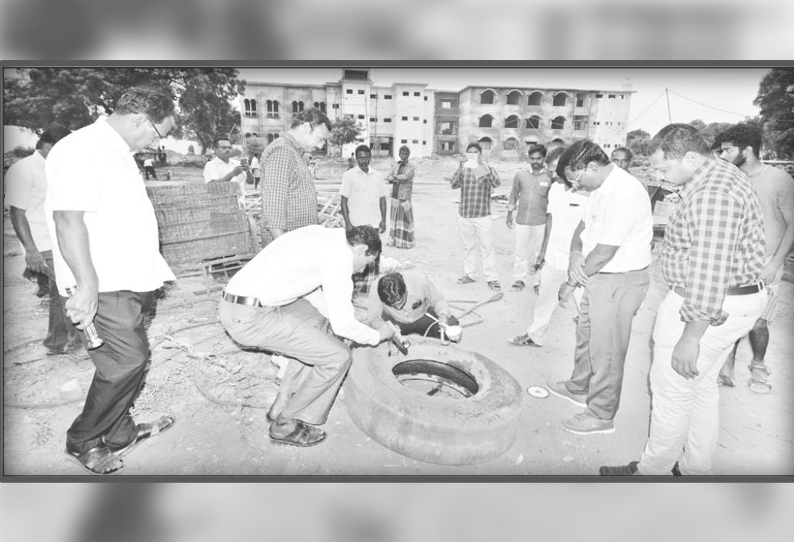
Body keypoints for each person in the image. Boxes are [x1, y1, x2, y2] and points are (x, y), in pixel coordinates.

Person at [600, 124, 767, 476]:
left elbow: (710, 270)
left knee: (672, 390)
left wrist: (691, 337)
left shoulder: (713, 194)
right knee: (700, 386)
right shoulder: (719, 177)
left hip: (706, 305)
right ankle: (693, 469)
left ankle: (652, 472)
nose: (660, 175)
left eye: (663, 167)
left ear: (690, 157)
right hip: (730, 301)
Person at [45, 86, 179, 475]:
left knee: (123, 361)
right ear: (140, 119)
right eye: (157, 132)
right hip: (103, 284)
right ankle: (83, 439)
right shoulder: (82, 149)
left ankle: (119, 432)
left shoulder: (116, 152)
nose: (157, 141)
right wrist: (85, 287)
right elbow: (68, 221)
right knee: (127, 360)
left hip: (127, 281)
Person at [218, 225, 396, 447]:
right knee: (338, 357)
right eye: (367, 263)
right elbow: (343, 326)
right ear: (360, 249)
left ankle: (284, 400)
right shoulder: (339, 257)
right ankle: (285, 424)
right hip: (248, 318)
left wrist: (348, 326)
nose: (362, 271)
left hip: (242, 302)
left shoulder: (324, 235)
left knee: (318, 325)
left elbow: (315, 295)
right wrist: (377, 335)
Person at [546, 139, 652, 435]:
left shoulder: (625, 193)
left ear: (592, 166)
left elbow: (605, 252)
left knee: (606, 350)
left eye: (576, 179)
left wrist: (570, 283)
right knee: (587, 336)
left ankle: (602, 413)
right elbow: (583, 228)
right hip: (597, 274)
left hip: (619, 279)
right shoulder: (599, 188)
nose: (574, 186)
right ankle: (579, 386)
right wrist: (575, 254)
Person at [715, 123, 794, 392]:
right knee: (729, 315)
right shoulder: (728, 177)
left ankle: (758, 364)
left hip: (767, 261)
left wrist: (774, 264)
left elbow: (792, 224)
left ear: (746, 151)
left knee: (759, 321)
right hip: (733, 262)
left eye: (727, 151)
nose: (723, 156)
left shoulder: (779, 179)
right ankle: (727, 364)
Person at [6, 124, 79, 356]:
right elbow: (16, 213)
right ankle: (78, 342)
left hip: (59, 239)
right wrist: (31, 251)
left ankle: (55, 342)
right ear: (48, 146)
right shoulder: (22, 170)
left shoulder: (57, 167)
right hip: (41, 243)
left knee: (60, 291)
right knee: (72, 287)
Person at [508, 146, 588, 347]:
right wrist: (543, 252)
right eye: (551, 170)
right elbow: (551, 220)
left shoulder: (589, 193)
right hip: (554, 257)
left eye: (556, 169)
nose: (553, 174)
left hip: (580, 261)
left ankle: (591, 351)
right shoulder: (555, 189)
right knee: (545, 298)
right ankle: (535, 335)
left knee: (585, 306)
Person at [259, 107, 331, 247]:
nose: (321, 145)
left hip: (297, 240)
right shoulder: (283, 151)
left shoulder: (295, 153)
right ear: (305, 127)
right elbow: (274, 208)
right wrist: (284, 249)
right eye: (321, 139)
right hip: (287, 245)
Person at [451, 142, 502, 291]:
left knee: (487, 247)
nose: (472, 154)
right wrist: (460, 167)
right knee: (468, 246)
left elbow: (497, 183)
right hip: (465, 214)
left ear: (480, 154)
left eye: (475, 152)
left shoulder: (486, 168)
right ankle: (470, 274)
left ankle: (492, 278)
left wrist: (483, 166)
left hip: (482, 215)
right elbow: (453, 184)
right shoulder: (464, 169)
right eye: (470, 152)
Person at [506, 144, 552, 293]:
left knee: (539, 253)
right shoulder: (521, 174)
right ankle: (519, 280)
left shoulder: (551, 176)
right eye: (532, 158)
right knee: (520, 252)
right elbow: (514, 194)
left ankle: (538, 282)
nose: (535, 161)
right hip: (522, 220)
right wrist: (509, 214)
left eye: (538, 158)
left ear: (544, 158)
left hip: (541, 221)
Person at [366, 271, 460, 341]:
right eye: (392, 305)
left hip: (422, 316)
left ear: (405, 290)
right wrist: (385, 328)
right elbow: (374, 318)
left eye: (400, 302)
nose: (398, 308)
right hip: (395, 322)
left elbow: (438, 300)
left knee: (451, 324)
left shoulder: (420, 281)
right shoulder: (375, 288)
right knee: (376, 335)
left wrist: (443, 315)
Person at [203, 136, 252, 209]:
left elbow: (251, 182)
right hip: (221, 210)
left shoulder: (237, 163)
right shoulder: (211, 165)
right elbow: (211, 187)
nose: (227, 150)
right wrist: (232, 174)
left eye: (229, 148)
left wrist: (247, 172)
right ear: (215, 149)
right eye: (224, 148)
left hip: (240, 207)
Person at [385, 145, 416, 249]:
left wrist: (394, 178)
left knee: (404, 219)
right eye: (402, 154)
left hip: (404, 197)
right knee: (394, 219)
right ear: (399, 154)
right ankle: (394, 241)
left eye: (406, 154)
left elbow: (406, 177)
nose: (404, 156)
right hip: (395, 195)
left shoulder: (411, 167)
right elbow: (387, 177)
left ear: (408, 155)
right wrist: (393, 178)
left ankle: (404, 242)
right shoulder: (395, 166)